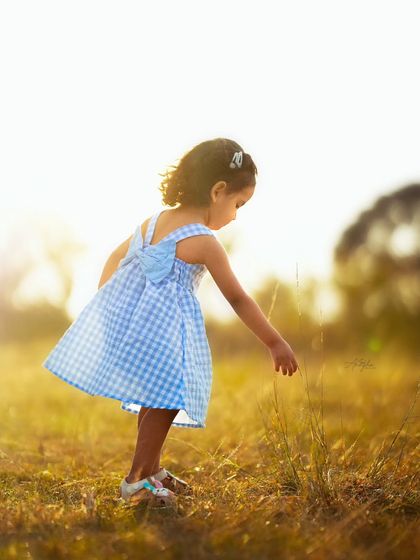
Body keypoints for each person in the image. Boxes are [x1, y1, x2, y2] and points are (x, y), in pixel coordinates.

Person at [42, 137, 299, 509]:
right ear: (218, 191)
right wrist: (274, 342)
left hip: (133, 329)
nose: (236, 215)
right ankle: (136, 480)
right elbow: (238, 298)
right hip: (162, 334)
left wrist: (107, 306)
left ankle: (154, 470)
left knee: (156, 400)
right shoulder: (204, 241)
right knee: (164, 400)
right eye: (238, 205)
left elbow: (116, 256)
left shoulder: (153, 221)